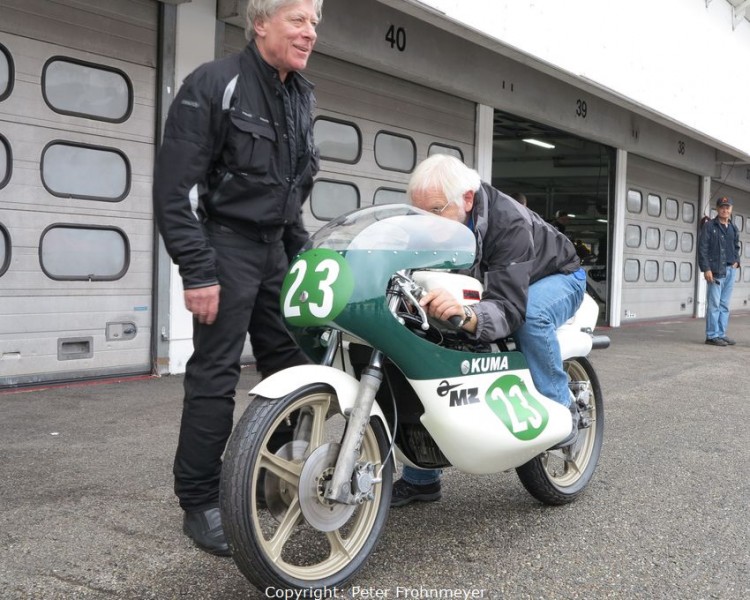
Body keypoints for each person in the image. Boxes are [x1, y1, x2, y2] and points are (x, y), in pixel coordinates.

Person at [152, 0, 323, 555]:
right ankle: (199, 503)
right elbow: (172, 190)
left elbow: (291, 195)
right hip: (224, 247)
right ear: (261, 23)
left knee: (294, 367)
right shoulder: (214, 83)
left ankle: (272, 475)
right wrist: (197, 269)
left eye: (315, 23)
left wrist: (310, 259)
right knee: (215, 374)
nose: (309, 32)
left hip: (277, 249)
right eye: (298, 19)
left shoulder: (302, 96)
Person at [392, 154, 586, 507]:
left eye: (435, 211)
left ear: (467, 199)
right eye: (419, 213)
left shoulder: (508, 221)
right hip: (500, 285)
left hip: (558, 276)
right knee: (419, 336)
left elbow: (511, 306)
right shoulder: (433, 220)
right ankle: (421, 478)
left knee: (531, 318)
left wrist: (471, 317)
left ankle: (562, 413)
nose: (426, 222)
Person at [698, 197, 740, 347]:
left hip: (730, 270)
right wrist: (706, 269)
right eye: (722, 207)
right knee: (714, 305)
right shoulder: (709, 226)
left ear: (731, 209)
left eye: (728, 207)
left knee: (724, 305)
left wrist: (736, 261)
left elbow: (736, 247)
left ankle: (721, 334)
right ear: (717, 209)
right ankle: (711, 335)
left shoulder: (733, 228)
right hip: (715, 271)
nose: (725, 210)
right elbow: (702, 249)